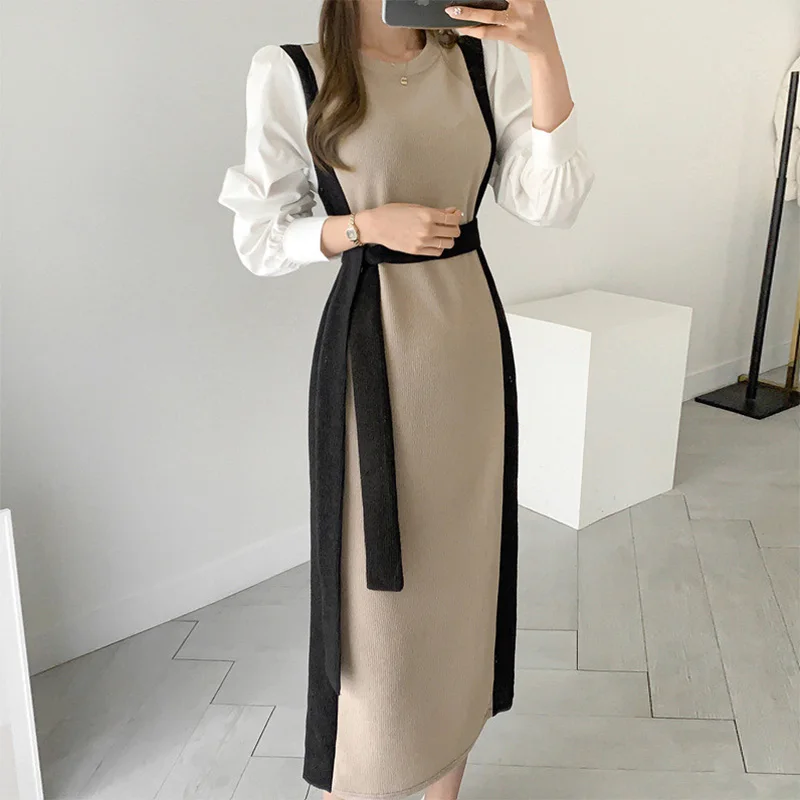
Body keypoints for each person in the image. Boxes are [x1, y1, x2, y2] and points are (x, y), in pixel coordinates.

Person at [218, 1, 594, 798]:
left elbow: (550, 201)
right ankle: (369, 772)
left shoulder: (477, 61)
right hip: (375, 356)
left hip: (469, 348)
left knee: (465, 572)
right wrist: (363, 226)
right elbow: (259, 237)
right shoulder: (294, 71)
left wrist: (544, 52)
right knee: (378, 591)